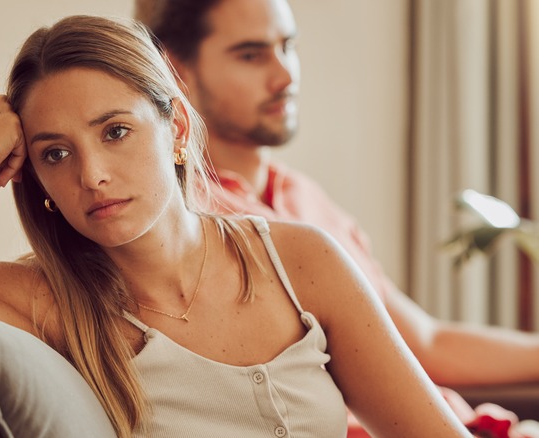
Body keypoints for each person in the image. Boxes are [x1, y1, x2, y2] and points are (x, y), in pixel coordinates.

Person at [0, 15, 469, 437]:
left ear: (176, 130)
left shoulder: (298, 261)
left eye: (116, 132)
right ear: (32, 174)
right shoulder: (36, 298)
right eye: (55, 153)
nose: (91, 174)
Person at [134, 0, 539, 435]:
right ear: (175, 70)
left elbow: (423, 342)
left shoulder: (304, 197)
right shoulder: (181, 224)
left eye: (287, 46)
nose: (286, 75)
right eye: (251, 55)